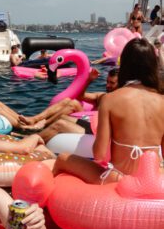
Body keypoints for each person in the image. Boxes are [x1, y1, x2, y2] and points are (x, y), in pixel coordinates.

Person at [53, 38, 164, 183]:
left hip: (119, 179)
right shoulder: (162, 100)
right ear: (152, 66)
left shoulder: (110, 99)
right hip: (153, 178)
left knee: (62, 158)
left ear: (125, 65)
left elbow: (99, 154)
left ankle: (42, 203)